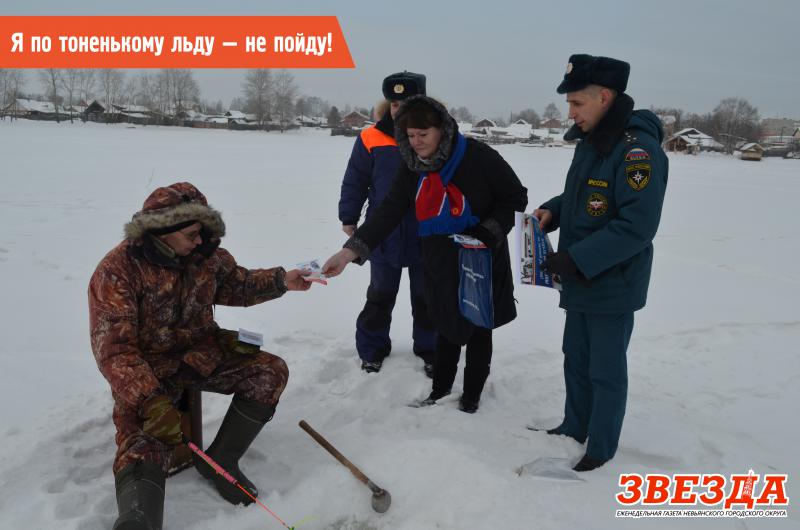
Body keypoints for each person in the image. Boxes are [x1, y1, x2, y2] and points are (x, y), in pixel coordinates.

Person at [88, 182, 312, 530]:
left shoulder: (204, 255)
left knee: (269, 372)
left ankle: (221, 460)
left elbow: (237, 284)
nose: (200, 241)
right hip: (148, 371)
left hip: (200, 354)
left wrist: (283, 280)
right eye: (192, 234)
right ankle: (139, 518)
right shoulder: (117, 271)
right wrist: (150, 401)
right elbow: (115, 351)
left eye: (203, 232)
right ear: (162, 230)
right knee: (143, 442)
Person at [324, 96, 528, 413]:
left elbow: (515, 197)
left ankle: (471, 398)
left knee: (478, 329)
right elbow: (388, 212)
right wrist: (349, 252)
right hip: (438, 256)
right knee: (444, 322)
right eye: (409, 135)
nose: (416, 142)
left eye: (423, 134)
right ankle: (440, 391)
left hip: (480, 257)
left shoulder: (478, 156)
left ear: (441, 130)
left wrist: (487, 233)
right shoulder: (412, 166)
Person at [533, 54, 668, 471]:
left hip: (612, 281)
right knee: (575, 356)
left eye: (577, 103)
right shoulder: (594, 140)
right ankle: (574, 426)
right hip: (581, 277)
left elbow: (636, 227)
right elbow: (586, 195)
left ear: (604, 97)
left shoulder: (637, 152)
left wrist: (575, 259)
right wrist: (553, 210)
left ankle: (601, 446)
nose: (570, 113)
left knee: (605, 369)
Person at [338, 71, 437, 376]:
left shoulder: (434, 135)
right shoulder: (371, 137)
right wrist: (349, 216)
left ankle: (431, 350)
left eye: (406, 103)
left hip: (428, 231)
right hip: (384, 232)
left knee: (428, 297)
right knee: (380, 296)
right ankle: (372, 350)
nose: (398, 109)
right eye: (394, 104)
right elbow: (355, 179)